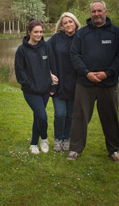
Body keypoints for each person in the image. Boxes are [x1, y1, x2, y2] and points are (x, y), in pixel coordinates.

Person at [66, 0, 119, 164]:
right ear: (90, 13)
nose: (96, 14)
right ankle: (75, 149)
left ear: (105, 12)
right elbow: (74, 55)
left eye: (99, 11)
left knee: (111, 118)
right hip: (85, 84)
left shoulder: (117, 33)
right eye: (93, 11)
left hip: (108, 84)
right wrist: (87, 73)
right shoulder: (82, 33)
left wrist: (107, 74)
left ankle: (114, 150)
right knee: (80, 117)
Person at [15, 19, 58, 154]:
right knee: (42, 116)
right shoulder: (22, 50)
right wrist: (30, 85)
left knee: (38, 117)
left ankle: (34, 143)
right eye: (36, 32)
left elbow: (52, 67)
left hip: (45, 90)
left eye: (41, 32)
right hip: (31, 91)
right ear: (29, 32)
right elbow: (20, 73)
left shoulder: (46, 47)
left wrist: (53, 87)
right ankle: (44, 138)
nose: (39, 35)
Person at [47, 12, 81, 152]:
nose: (68, 24)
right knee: (60, 114)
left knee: (70, 115)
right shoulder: (55, 39)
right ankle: (57, 139)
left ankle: (66, 139)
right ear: (61, 25)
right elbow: (43, 52)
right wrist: (48, 74)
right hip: (59, 84)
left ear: (75, 23)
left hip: (76, 84)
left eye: (70, 21)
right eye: (65, 22)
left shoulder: (81, 37)